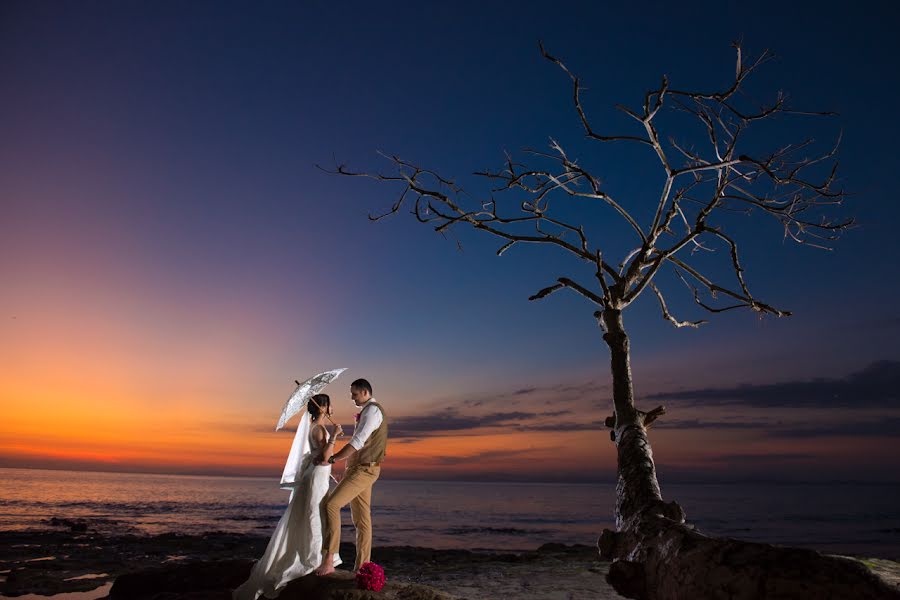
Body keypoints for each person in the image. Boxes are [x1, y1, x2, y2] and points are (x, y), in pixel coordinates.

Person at [233, 394, 343, 600]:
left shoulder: (317, 428)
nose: (331, 408)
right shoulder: (319, 429)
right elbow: (324, 458)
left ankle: (316, 554)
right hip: (316, 477)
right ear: (324, 407)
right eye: (329, 404)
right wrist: (335, 436)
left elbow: (320, 459)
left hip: (319, 476)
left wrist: (332, 473)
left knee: (315, 512)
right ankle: (312, 558)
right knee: (315, 515)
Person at [315, 378, 388, 576]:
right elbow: (360, 445)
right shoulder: (367, 411)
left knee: (331, 505)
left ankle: (329, 560)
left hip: (365, 470)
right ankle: (362, 568)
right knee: (362, 520)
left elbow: (358, 441)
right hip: (360, 468)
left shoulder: (372, 411)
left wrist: (333, 459)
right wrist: (347, 469)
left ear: (365, 392)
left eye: (354, 394)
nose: (352, 397)